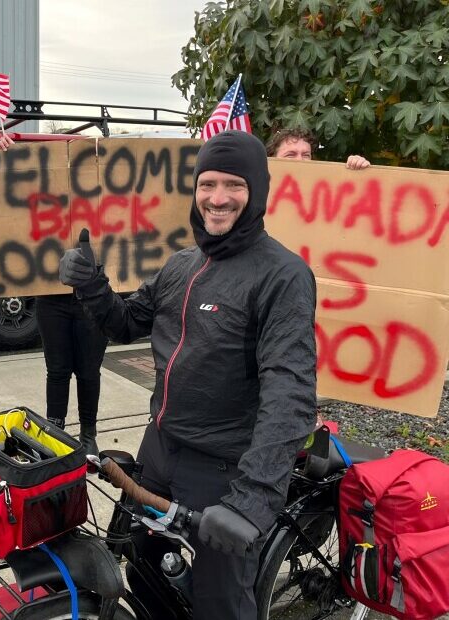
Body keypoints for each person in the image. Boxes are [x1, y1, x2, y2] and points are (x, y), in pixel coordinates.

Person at [59, 130, 317, 619]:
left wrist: (252, 501)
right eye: (207, 184)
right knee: (145, 572)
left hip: (223, 472)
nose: (218, 198)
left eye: (234, 186)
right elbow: (128, 320)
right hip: (158, 452)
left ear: (257, 192)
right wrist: (92, 285)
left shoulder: (282, 275)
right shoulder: (182, 264)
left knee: (219, 605)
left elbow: (291, 393)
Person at [0, 132, 106, 454]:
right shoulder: (43, 195)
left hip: (93, 298)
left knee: (88, 371)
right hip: (51, 297)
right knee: (57, 370)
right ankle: (54, 429)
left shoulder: (100, 194)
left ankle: (88, 435)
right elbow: (10, 195)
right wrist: (9, 156)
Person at [266, 127, 371, 170]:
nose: (300, 160)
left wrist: (359, 173)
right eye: (290, 155)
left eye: (306, 155)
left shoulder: (325, 189)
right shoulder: (257, 193)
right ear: (272, 158)